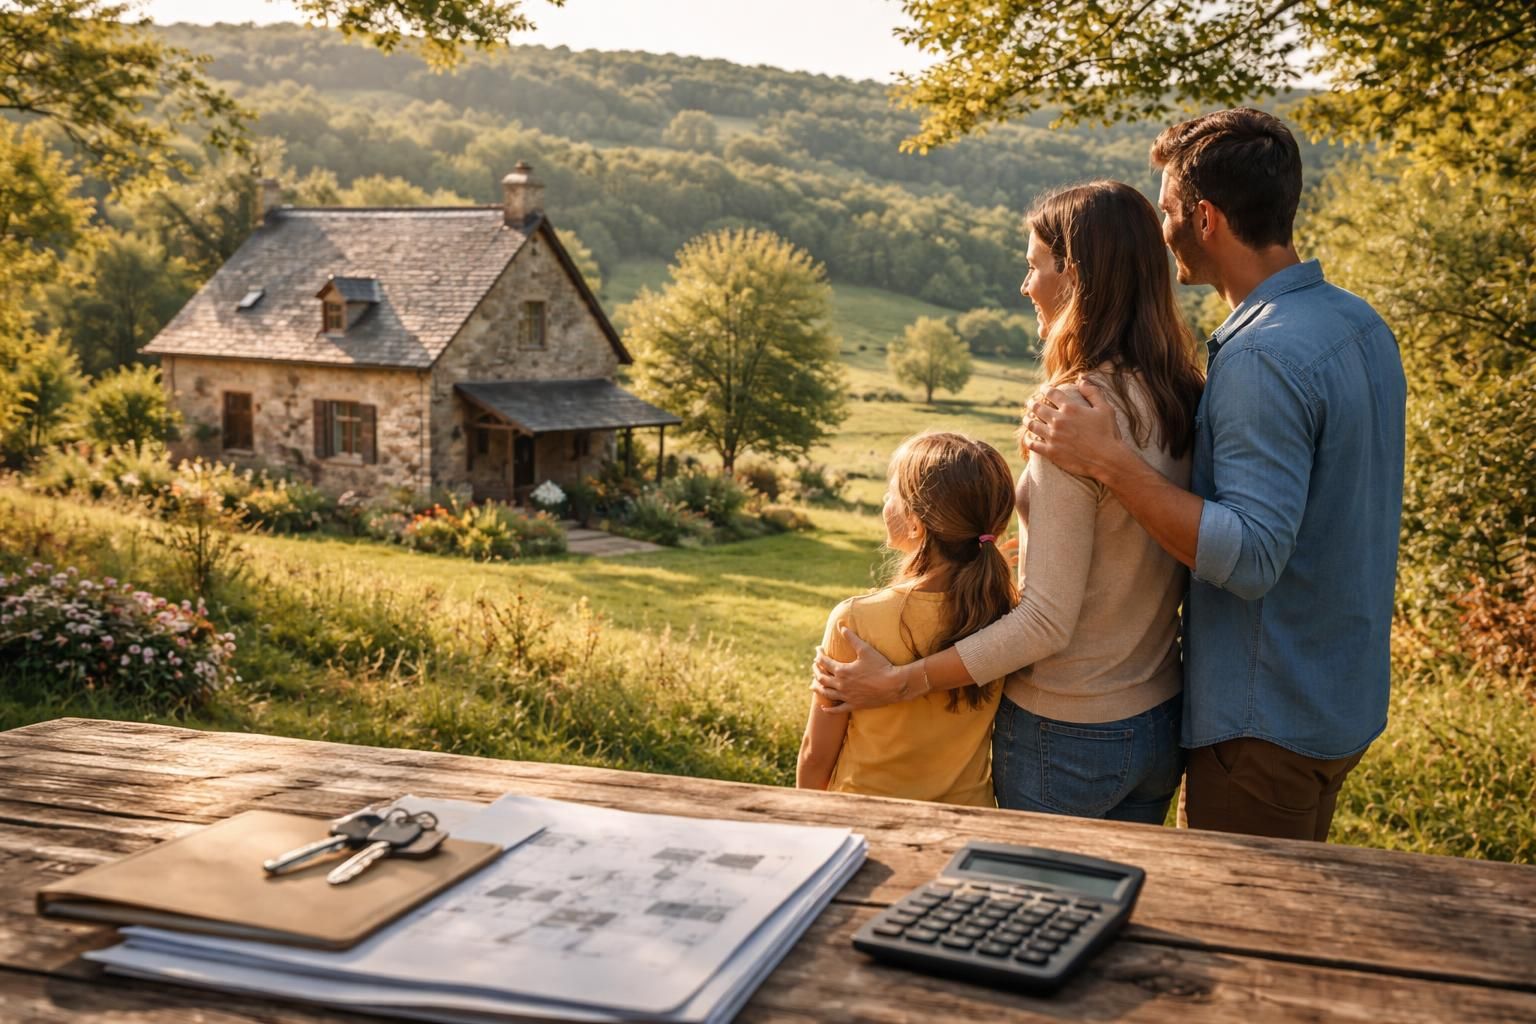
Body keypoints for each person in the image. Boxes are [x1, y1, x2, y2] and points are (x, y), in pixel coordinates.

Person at [1022, 108, 1407, 842]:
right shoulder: (1358, 324)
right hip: (1342, 701)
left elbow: (1253, 556)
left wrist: (1110, 461)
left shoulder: (1264, 357)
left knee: (1246, 940)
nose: (1161, 231)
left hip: (1265, 723)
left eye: (1167, 210)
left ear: (1204, 219)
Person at [812, 180, 1205, 825]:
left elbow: (1047, 623)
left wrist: (900, 683)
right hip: (1158, 722)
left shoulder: (1070, 416)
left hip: (1067, 732)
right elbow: (1127, 542)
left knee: (1037, 913)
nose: (1026, 286)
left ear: (1073, 273)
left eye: (1034, 266)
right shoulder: (1178, 395)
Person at [796, 432, 1016, 806]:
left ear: (915, 524)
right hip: (969, 817)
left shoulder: (855, 621)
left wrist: (809, 817)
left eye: (892, 493)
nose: (885, 501)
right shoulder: (1009, 613)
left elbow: (816, 754)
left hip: (865, 814)